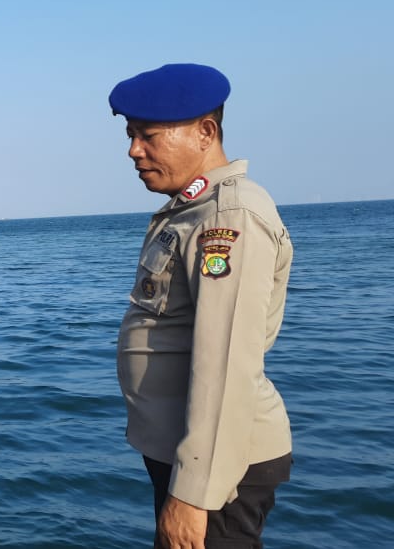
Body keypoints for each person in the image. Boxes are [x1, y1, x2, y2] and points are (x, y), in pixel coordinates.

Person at [109, 64, 293, 549]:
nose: (133, 150)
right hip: (190, 457)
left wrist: (193, 496)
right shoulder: (193, 210)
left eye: (148, 136)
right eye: (130, 136)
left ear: (205, 132)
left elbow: (226, 363)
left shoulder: (229, 217)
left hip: (217, 473)